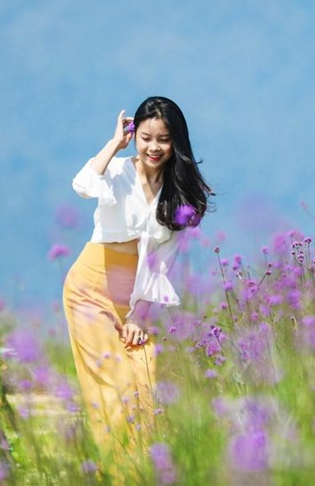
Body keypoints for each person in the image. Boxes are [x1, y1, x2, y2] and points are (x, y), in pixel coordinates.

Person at [62, 96, 211, 451]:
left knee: (144, 380)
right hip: (89, 290)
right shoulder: (115, 171)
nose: (154, 147)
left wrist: (139, 315)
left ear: (176, 142)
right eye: (146, 137)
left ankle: (138, 468)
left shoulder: (178, 195)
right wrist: (115, 143)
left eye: (163, 139)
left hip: (135, 299)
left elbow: (163, 261)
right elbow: (82, 185)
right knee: (111, 386)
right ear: (136, 136)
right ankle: (119, 471)